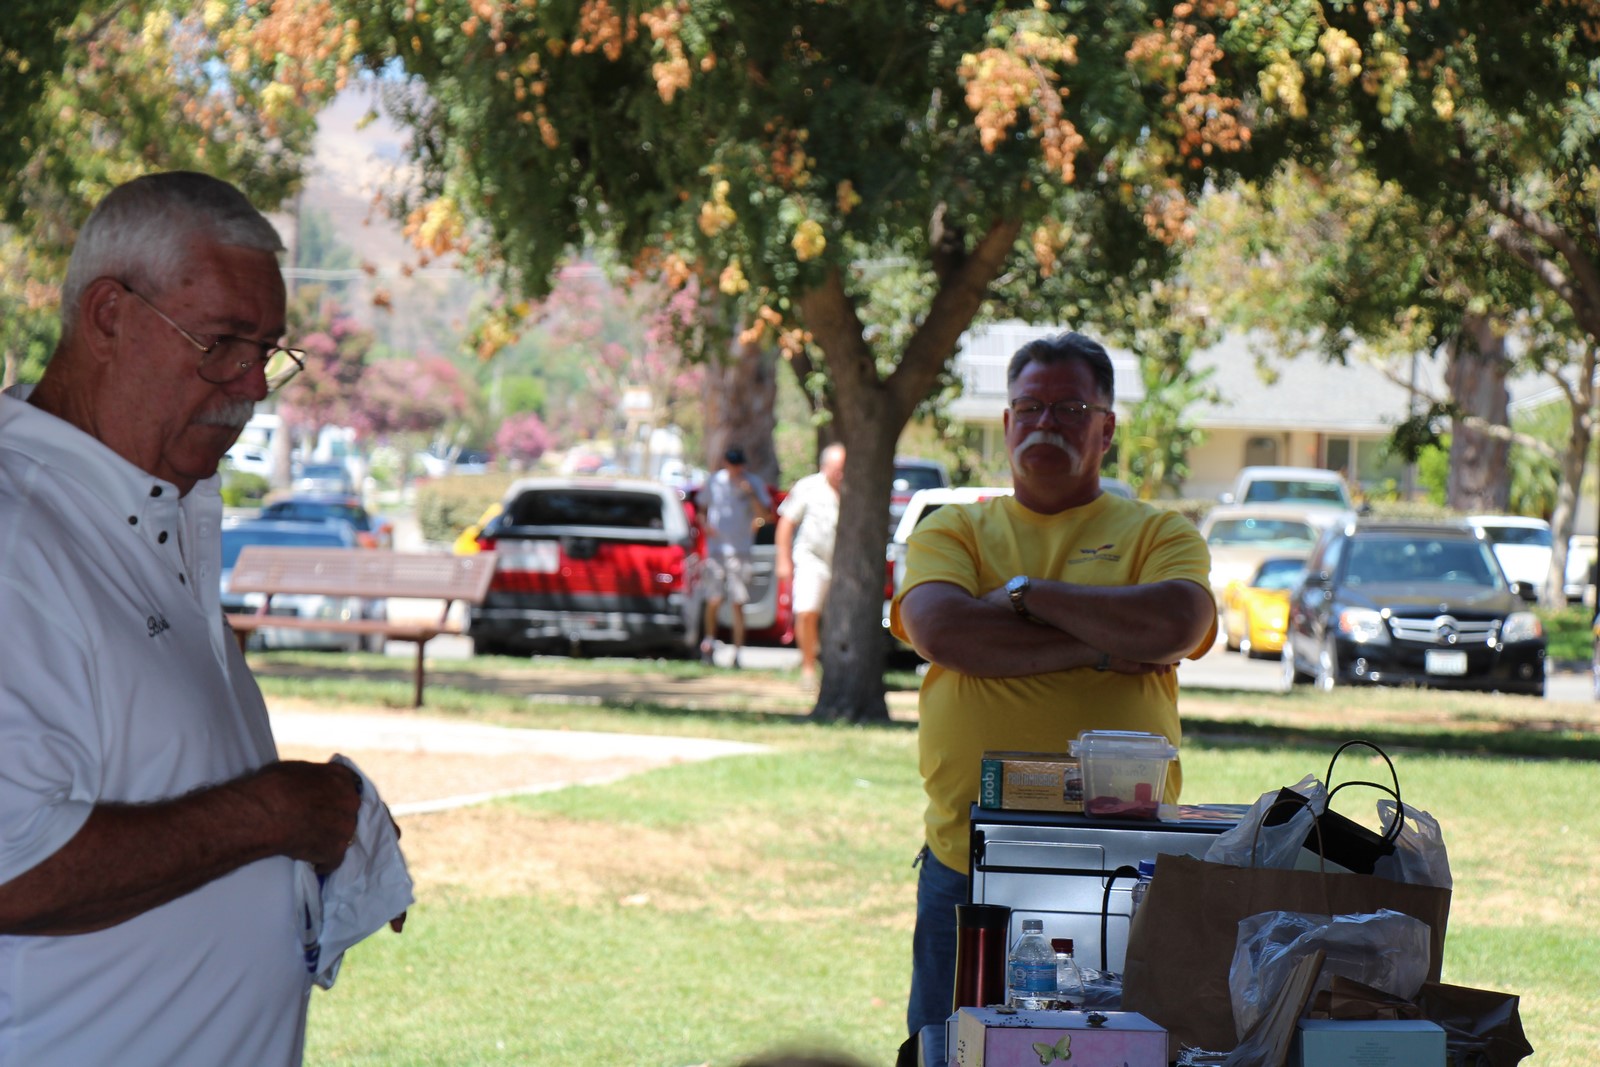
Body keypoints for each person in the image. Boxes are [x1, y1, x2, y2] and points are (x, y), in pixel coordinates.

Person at [0, 171, 403, 1066]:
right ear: (108, 315)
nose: (253, 385)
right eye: (221, 342)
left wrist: (323, 835)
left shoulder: (144, 511)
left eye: (267, 350)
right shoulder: (18, 532)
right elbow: (10, 865)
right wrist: (274, 814)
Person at [889, 332, 1216, 1045]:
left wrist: (1024, 597)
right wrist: (1103, 646)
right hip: (966, 860)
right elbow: (946, 633)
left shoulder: (1157, 531)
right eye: (1029, 406)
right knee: (954, 1047)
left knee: (1114, 1049)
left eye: (1070, 407)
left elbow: (1176, 620)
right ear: (1006, 423)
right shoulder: (956, 529)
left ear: (1106, 427)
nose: (1045, 423)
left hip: (1121, 864)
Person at [775, 442, 846, 690]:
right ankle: (808, 667)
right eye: (837, 468)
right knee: (806, 611)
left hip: (841, 564)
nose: (841, 474)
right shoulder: (809, 486)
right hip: (810, 558)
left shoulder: (853, 488)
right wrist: (783, 560)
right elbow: (786, 522)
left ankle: (832, 668)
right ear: (825, 466)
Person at [697, 445, 774, 667]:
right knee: (713, 599)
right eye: (732, 464)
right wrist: (706, 525)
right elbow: (701, 508)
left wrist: (750, 493)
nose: (735, 468)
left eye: (739, 464)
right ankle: (709, 645)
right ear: (725, 463)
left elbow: (765, 516)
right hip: (716, 551)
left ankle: (737, 654)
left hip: (741, 551)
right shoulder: (714, 482)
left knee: (738, 603)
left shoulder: (753, 483)